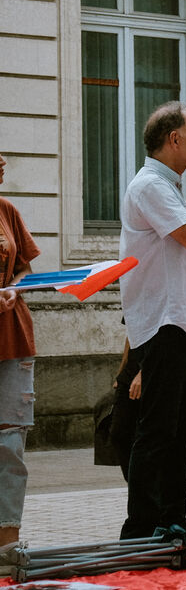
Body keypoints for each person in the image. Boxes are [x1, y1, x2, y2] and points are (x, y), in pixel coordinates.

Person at [118, 103, 186, 539]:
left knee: (180, 428)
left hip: (183, 321)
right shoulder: (150, 185)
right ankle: (142, 526)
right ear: (174, 139)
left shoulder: (166, 185)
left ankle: (172, 517)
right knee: (159, 427)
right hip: (165, 322)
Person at [0, 152, 39, 552]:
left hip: (12, 338)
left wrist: (15, 286)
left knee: (10, 443)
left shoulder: (6, 210)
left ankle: (7, 544)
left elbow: (24, 268)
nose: (3, 161)